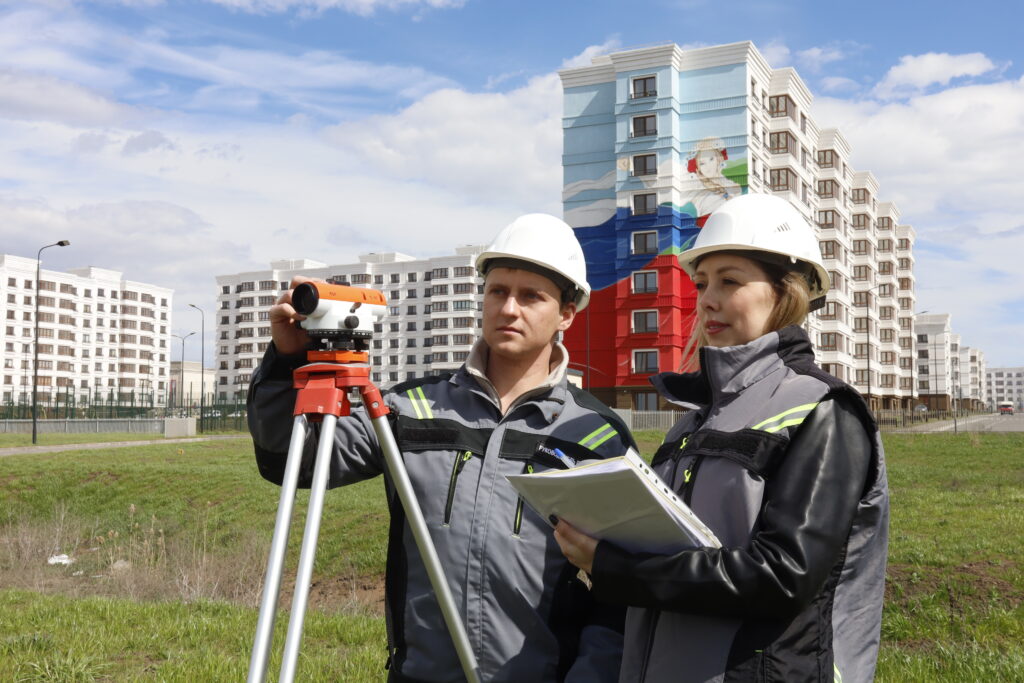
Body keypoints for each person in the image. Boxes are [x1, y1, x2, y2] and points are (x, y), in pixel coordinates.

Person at [247, 213, 634, 682]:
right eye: (498, 291)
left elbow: (622, 587)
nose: (509, 308)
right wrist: (285, 361)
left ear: (567, 312)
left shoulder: (594, 434)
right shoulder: (410, 407)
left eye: (531, 296)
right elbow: (296, 458)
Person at [553, 193, 889, 683]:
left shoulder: (823, 410)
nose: (707, 298)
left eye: (730, 281)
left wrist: (617, 571)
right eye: (702, 282)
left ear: (787, 292)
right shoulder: (692, 420)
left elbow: (782, 575)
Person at [683, 136, 744, 225]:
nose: (708, 166)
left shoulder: (733, 187)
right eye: (702, 163)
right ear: (698, 168)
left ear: (718, 159)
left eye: (711, 159)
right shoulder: (698, 191)